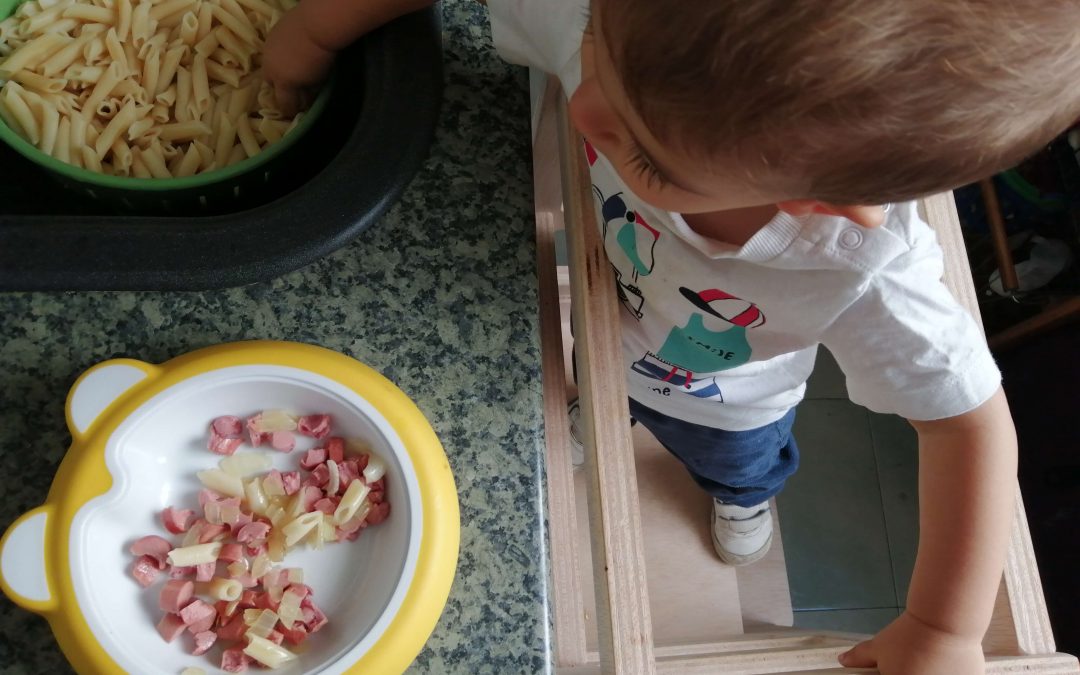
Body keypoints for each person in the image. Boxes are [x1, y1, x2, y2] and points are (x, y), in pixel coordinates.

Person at [263, 1, 1080, 672]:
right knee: (600, 400)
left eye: (647, 159)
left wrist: (942, 628)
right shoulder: (634, 29)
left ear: (817, 205)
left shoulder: (862, 270)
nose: (584, 107)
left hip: (733, 403)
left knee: (736, 462)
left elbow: (966, 421)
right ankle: (607, 415)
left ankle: (743, 500)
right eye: (593, 50)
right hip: (615, 330)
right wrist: (312, 33)